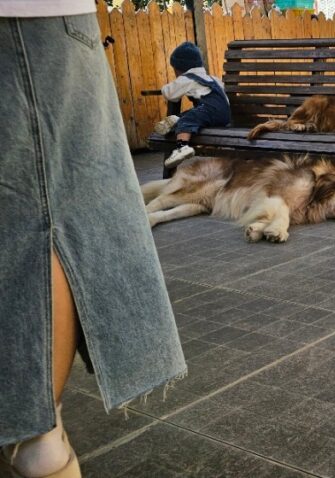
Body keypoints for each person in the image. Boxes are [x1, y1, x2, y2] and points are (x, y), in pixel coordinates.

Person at [1, 4, 187, 478]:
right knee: (53, 208)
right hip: (32, 24)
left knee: (36, 206)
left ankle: (36, 431)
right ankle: (40, 435)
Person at [156, 41, 230, 168]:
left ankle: (182, 147)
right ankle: (175, 119)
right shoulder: (212, 78)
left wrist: (163, 89)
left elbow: (170, 94)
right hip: (225, 114)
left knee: (189, 119)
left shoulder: (187, 78)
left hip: (209, 110)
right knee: (194, 113)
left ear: (179, 68)